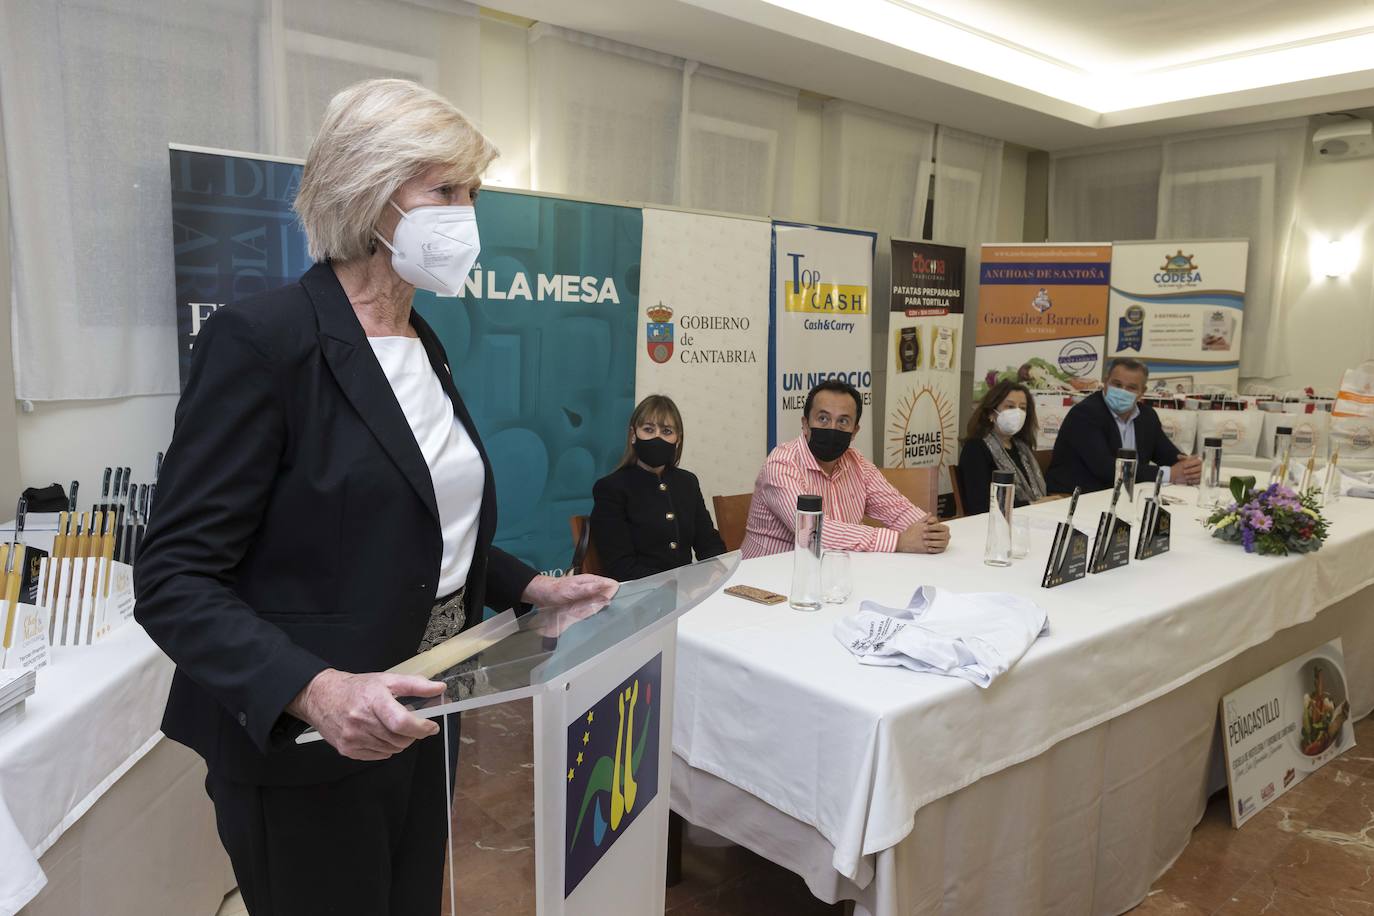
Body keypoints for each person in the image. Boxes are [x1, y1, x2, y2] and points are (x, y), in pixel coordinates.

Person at [133, 79, 617, 916]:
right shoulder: (264, 340)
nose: (468, 215)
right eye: (446, 190)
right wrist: (315, 688)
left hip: (422, 712)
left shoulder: (421, 339)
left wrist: (532, 588)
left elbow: (418, 521)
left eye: (473, 192)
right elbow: (173, 577)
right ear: (369, 192)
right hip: (309, 742)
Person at [741, 380, 950, 558]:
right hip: (767, 585)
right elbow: (814, 533)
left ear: (854, 431)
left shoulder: (857, 464)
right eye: (823, 419)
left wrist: (931, 532)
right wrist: (899, 541)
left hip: (832, 575)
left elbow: (897, 510)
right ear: (805, 424)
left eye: (843, 421)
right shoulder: (782, 464)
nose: (832, 428)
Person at [590, 395, 727, 581]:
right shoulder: (611, 488)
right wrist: (679, 586)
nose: (657, 438)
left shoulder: (687, 482)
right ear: (633, 435)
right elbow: (620, 566)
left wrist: (716, 573)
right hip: (640, 598)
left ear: (677, 439)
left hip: (688, 594)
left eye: (667, 431)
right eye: (648, 429)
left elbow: (709, 544)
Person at [1046, 357, 1203, 494]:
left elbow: (1169, 456)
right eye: (1117, 384)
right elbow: (1106, 469)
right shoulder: (1085, 414)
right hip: (1075, 497)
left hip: (1121, 496)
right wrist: (1169, 474)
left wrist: (1189, 467)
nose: (1122, 391)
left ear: (1142, 392)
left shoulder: (1147, 416)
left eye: (1131, 387)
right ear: (1106, 382)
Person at [958, 380, 1048, 514]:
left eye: (1022, 408)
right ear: (991, 413)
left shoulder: (1022, 447)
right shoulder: (975, 449)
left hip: (1032, 518)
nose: (1017, 413)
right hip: (993, 525)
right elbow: (980, 506)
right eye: (1010, 406)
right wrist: (1031, 504)